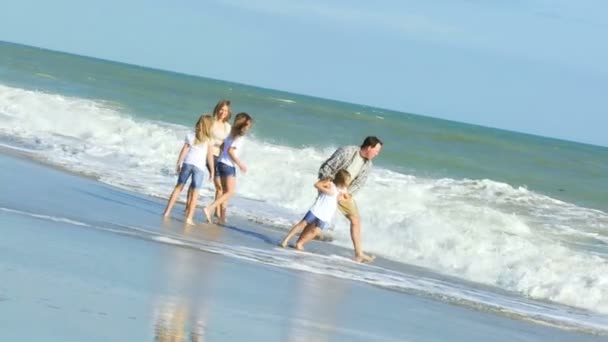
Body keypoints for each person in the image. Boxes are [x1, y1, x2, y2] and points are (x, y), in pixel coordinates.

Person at [316, 136, 382, 262]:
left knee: (355, 220)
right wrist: (330, 187)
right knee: (319, 221)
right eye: (376, 151)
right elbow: (327, 167)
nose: (377, 154)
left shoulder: (368, 164)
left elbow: (359, 183)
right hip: (330, 187)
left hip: (345, 193)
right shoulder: (348, 151)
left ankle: (359, 254)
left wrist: (347, 194)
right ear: (369, 147)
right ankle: (299, 242)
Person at [163, 115, 215, 225]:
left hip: (187, 164)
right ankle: (189, 218)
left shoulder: (191, 135)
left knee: (178, 188)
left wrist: (179, 162)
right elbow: (210, 156)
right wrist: (212, 171)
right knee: (195, 194)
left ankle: (167, 212)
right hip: (199, 168)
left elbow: (184, 150)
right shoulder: (209, 140)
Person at [280, 170, 351, 251]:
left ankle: (300, 243)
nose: (349, 182)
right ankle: (286, 239)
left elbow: (347, 198)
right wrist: (327, 191)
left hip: (327, 214)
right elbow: (316, 185)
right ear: (341, 180)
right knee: (302, 224)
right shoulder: (330, 183)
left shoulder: (344, 189)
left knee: (316, 231)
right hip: (317, 209)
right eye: (348, 180)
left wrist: (341, 198)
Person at [202, 113, 253, 224]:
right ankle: (210, 208)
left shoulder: (231, 134)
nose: (249, 127)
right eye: (248, 125)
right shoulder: (239, 137)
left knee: (225, 192)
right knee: (230, 192)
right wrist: (240, 164)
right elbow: (230, 151)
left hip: (220, 163)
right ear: (243, 124)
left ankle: (222, 218)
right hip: (228, 165)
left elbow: (223, 146)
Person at [186, 100, 231, 219]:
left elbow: (227, 144)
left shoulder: (228, 127)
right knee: (199, 181)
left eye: (226, 110)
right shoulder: (211, 122)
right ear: (217, 109)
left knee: (220, 186)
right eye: (221, 109)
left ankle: (215, 212)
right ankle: (188, 205)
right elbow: (201, 134)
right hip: (206, 154)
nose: (223, 112)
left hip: (220, 157)